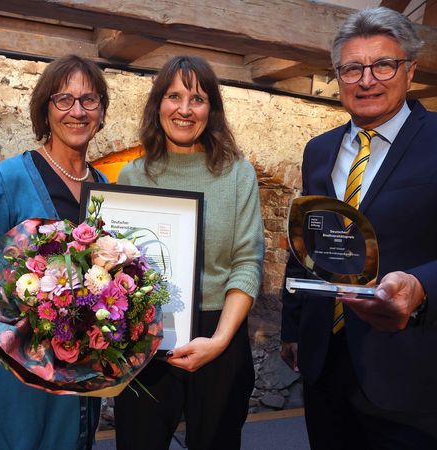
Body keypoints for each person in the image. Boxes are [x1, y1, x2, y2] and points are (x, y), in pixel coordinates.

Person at [281, 7, 437, 449]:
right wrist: (293, 328)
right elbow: (304, 241)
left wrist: (421, 286)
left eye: (383, 64)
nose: (367, 80)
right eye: (352, 69)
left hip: (410, 367)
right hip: (324, 360)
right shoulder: (319, 150)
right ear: (338, 76)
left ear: (410, 71)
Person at [113, 56, 264, 450]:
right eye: (173, 96)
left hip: (220, 332)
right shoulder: (133, 175)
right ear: (157, 105)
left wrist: (218, 341)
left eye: (196, 98)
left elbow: (248, 262)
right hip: (147, 331)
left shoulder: (237, 174)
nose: (184, 109)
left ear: (210, 109)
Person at [0, 54, 109, 450]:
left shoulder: (104, 185)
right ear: (45, 109)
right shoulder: (9, 178)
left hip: (80, 376)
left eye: (89, 100)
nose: (77, 111)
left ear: (101, 111)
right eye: (64, 99)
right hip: (21, 378)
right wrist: (28, 331)